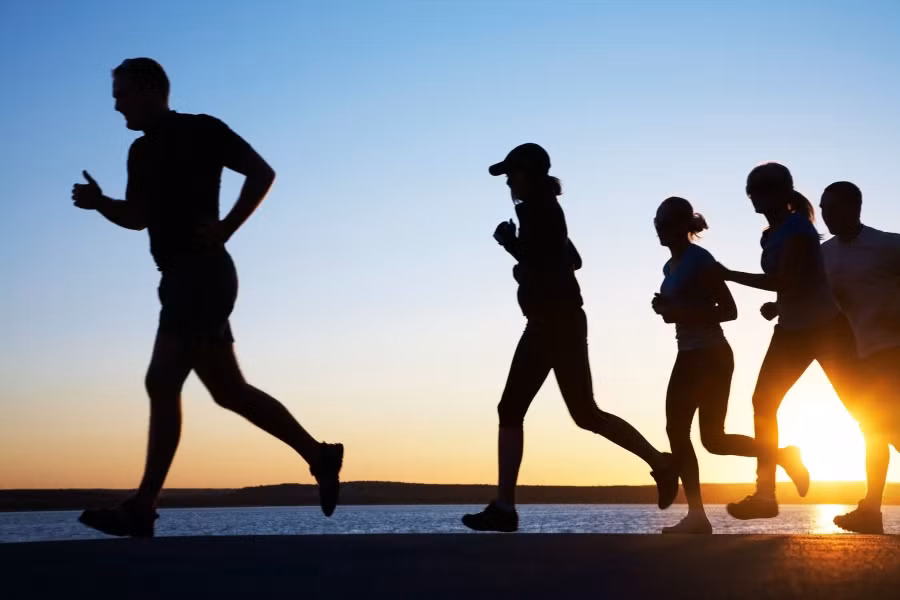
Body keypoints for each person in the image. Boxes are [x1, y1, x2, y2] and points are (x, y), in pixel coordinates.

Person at [70, 58, 343, 537]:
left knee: (161, 382)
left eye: (122, 95)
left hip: (202, 275)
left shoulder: (201, 129)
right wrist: (100, 204)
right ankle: (319, 455)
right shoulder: (140, 151)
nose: (117, 106)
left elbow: (261, 172)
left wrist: (227, 228)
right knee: (229, 391)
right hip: (179, 278)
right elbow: (137, 217)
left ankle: (143, 506)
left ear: (150, 88)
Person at [462, 143, 679, 533]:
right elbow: (572, 259)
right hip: (559, 321)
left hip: (551, 323)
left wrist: (511, 246)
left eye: (511, 174)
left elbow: (544, 262)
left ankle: (505, 508)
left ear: (528, 175)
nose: (508, 182)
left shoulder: (538, 211)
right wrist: (523, 254)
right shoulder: (546, 210)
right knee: (584, 414)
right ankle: (661, 463)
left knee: (512, 409)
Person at [652, 197, 808, 534]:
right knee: (709, 440)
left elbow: (729, 310)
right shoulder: (669, 268)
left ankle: (698, 515)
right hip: (688, 353)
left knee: (689, 433)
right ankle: (781, 457)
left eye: (665, 223)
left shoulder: (700, 260)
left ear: (683, 226)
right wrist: (666, 308)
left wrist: (678, 311)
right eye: (656, 223)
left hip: (710, 355)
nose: (659, 229)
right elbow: (683, 311)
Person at [718, 163, 858, 520]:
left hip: (827, 330)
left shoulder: (798, 229)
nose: (754, 196)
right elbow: (798, 283)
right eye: (751, 190)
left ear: (782, 192)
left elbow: (789, 280)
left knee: (862, 408)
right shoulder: (770, 234)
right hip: (792, 331)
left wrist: (729, 274)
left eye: (761, 189)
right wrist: (779, 306)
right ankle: (765, 494)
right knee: (763, 402)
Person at [820, 181, 900, 534]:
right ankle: (870, 510)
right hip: (860, 355)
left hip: (894, 351)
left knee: (882, 429)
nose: (826, 214)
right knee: (876, 431)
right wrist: (778, 306)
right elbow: (814, 295)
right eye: (823, 208)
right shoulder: (824, 254)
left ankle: (870, 509)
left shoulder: (888, 245)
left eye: (832, 207)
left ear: (854, 207)